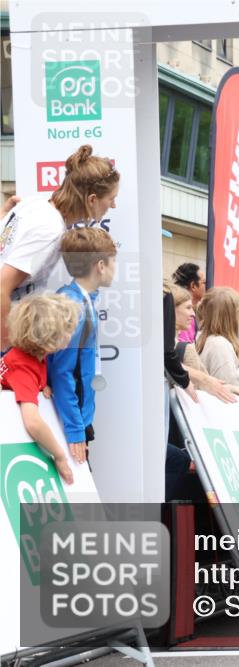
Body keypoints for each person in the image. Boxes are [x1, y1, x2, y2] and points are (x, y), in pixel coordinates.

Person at [1, 145, 118, 351]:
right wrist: (6, 344)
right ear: (92, 199)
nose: (113, 206)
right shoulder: (49, 227)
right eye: (111, 199)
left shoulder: (35, 204)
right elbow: (1, 286)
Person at [47, 228, 116, 466]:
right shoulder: (75, 306)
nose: (115, 267)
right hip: (71, 423)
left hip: (76, 417)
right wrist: (76, 429)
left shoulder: (78, 300)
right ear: (100, 265)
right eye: (113, 260)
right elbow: (61, 371)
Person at [1, 293, 79, 483]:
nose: (72, 333)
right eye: (66, 330)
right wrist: (59, 456)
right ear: (47, 336)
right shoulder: (24, 368)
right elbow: (33, 423)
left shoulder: (28, 356)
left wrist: (41, 386)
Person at [173, 263, 205, 344]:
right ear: (193, 286)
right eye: (204, 282)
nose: (208, 286)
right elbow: (186, 351)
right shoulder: (182, 315)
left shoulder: (190, 312)